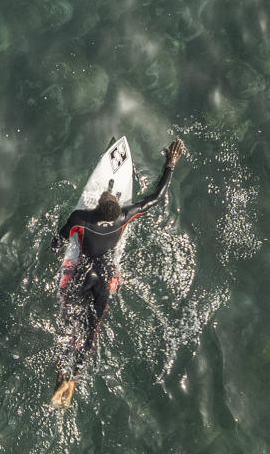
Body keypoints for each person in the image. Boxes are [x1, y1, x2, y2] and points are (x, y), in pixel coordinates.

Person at [50, 138, 186, 406]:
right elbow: (155, 199)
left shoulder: (81, 219)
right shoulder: (124, 216)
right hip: (105, 278)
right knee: (91, 329)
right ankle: (73, 382)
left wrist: (53, 249)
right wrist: (169, 165)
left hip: (84, 273)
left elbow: (61, 239)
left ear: (98, 207)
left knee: (70, 322)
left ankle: (59, 377)